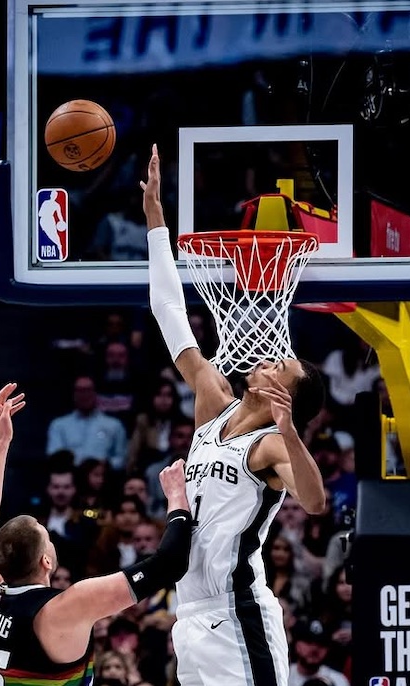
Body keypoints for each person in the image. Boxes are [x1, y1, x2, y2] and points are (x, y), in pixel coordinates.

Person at [141, 143, 328, 686]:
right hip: (189, 616)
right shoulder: (212, 404)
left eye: (281, 364)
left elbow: (314, 503)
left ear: (284, 398)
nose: (269, 354)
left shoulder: (268, 446)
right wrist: (157, 222)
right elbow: (167, 311)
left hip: (239, 612)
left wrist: (292, 435)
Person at [0, 382, 192, 685]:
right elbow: (170, 564)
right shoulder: (65, 607)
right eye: (47, 536)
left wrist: (2, 441)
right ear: (46, 561)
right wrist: (177, 498)